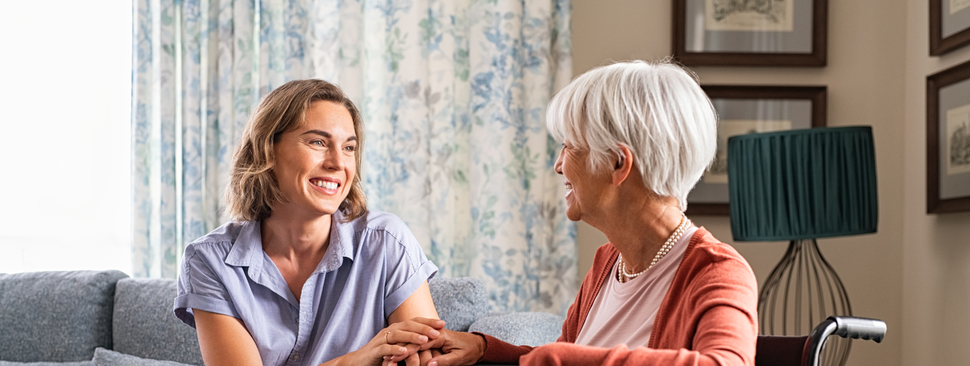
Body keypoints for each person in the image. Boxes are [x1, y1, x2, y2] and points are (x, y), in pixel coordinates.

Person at [424, 59, 759, 366]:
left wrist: (561, 358)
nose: (558, 166)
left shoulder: (717, 272)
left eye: (568, 146)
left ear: (618, 163)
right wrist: (485, 348)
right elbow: (568, 354)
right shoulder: (608, 263)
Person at [174, 79, 444, 366]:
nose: (338, 162)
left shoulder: (387, 242)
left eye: (349, 148)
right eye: (318, 142)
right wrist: (354, 361)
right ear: (267, 150)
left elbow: (425, 358)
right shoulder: (209, 261)